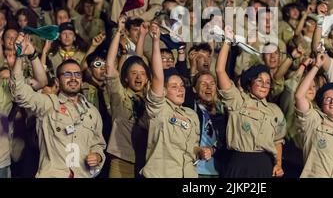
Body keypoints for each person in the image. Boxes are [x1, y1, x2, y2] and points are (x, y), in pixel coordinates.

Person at [10, 33, 106, 177]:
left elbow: (98, 144)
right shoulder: (48, 104)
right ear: (57, 81)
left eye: (77, 74)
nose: (73, 78)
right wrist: (20, 56)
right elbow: (19, 93)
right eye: (67, 74)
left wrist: (98, 156)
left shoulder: (92, 112)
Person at [216, 26, 286, 178]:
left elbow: (278, 140)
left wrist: (278, 163)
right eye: (259, 80)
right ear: (249, 83)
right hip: (238, 163)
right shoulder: (238, 100)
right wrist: (227, 42)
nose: (264, 84)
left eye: (267, 82)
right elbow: (220, 71)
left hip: (264, 165)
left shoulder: (275, 110)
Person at [141, 22, 207, 178]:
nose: (180, 89)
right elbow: (158, 77)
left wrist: (201, 151)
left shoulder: (191, 115)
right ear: (163, 90)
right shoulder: (159, 108)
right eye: (174, 86)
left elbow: (192, 147)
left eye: (182, 85)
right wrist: (156, 41)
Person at [105, 15, 149, 178]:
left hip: (147, 161)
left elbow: (139, 60)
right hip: (122, 160)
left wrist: (142, 36)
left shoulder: (150, 98)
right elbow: (109, 66)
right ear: (125, 77)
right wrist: (119, 32)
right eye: (134, 74)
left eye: (142, 74)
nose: (138, 77)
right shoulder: (119, 95)